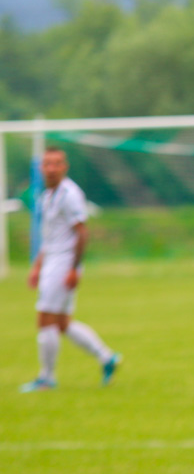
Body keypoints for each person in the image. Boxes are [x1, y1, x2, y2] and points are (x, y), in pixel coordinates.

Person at [20, 147, 122, 392]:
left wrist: (73, 269)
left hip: (63, 264)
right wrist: (37, 266)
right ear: (41, 168)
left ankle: (46, 378)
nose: (51, 168)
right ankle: (107, 358)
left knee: (45, 319)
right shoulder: (45, 196)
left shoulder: (70, 194)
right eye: (47, 164)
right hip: (51, 262)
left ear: (64, 167)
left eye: (56, 163)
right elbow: (50, 237)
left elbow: (82, 232)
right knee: (63, 323)